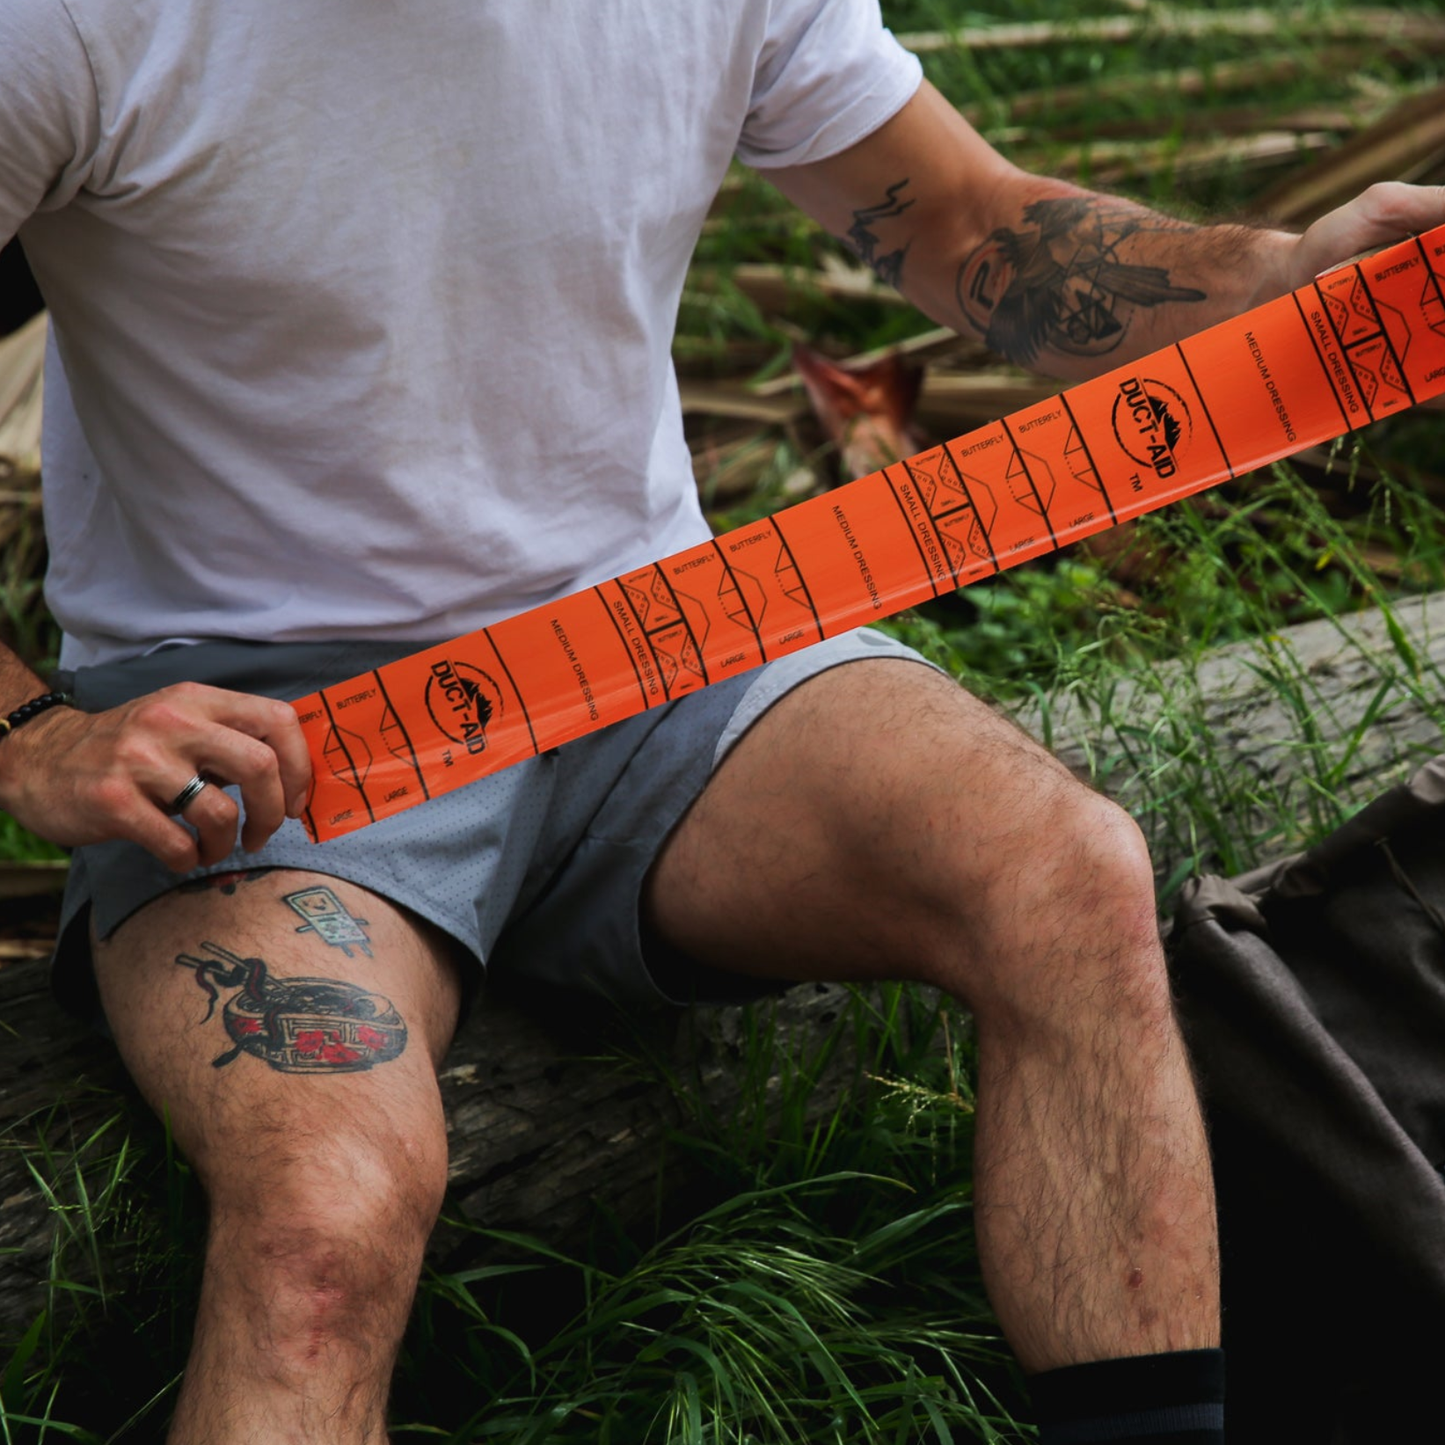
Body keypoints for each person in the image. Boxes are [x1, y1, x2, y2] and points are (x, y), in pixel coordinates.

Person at [0, 1, 1439, 1440]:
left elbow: (961, 218)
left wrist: (1290, 286)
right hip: (274, 732)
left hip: (652, 646)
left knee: (1068, 876)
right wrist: (34, 737)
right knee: (324, 1221)